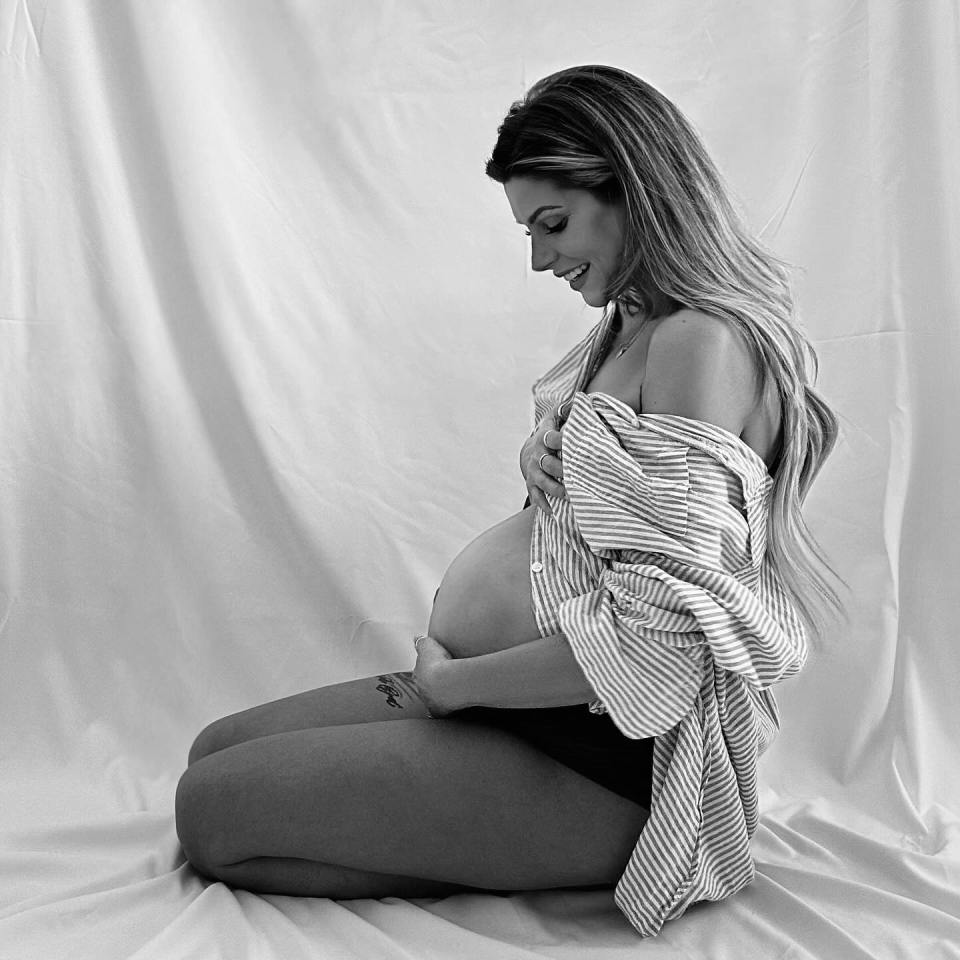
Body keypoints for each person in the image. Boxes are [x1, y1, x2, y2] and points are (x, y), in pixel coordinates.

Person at [175, 65, 843, 938]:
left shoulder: (699, 341)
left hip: (602, 755)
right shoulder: (636, 320)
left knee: (211, 816)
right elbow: (599, 540)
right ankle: (457, 828)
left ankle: (517, 842)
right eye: (530, 229)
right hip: (521, 705)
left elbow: (667, 639)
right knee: (212, 752)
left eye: (553, 224)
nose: (539, 258)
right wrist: (545, 467)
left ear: (631, 186)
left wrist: (454, 687)